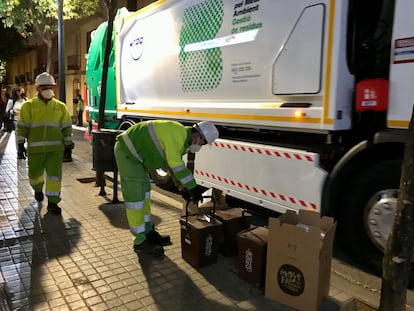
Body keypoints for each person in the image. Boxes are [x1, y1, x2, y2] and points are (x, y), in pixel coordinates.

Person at [114, 120, 219, 256]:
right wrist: (193, 188)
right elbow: (176, 164)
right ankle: (139, 242)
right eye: (202, 143)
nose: (201, 146)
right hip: (127, 153)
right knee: (136, 200)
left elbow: (172, 166)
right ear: (198, 135)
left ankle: (147, 233)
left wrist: (183, 189)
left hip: (137, 158)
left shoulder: (182, 142)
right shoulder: (177, 133)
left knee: (145, 195)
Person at [15, 72, 74, 215]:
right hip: (35, 150)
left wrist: (68, 144)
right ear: (38, 89)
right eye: (44, 87)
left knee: (54, 177)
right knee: (35, 176)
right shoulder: (28, 106)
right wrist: (20, 144)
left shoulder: (60, 107)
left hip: (55, 150)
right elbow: (22, 126)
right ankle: (37, 189)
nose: (48, 89)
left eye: (50, 86)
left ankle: (53, 203)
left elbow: (66, 127)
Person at [5, 87, 27, 158]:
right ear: (16, 92)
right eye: (19, 91)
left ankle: (24, 149)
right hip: (16, 121)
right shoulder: (12, 101)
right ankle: (20, 152)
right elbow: (7, 111)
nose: (21, 92)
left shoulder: (25, 99)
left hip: (25, 120)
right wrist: (13, 111)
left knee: (25, 136)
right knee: (18, 136)